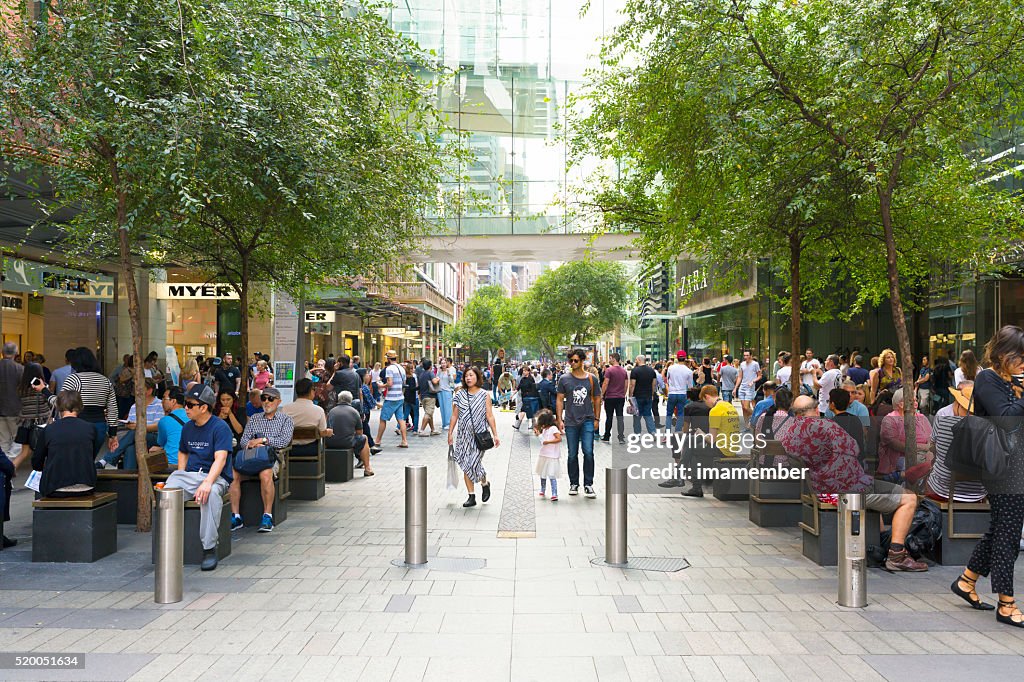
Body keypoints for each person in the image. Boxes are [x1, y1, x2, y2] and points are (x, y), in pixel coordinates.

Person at [780, 395, 927, 571]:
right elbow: (855, 448)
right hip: (848, 490)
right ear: (816, 410)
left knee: (876, 486)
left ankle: (881, 540)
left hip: (822, 489)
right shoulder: (827, 426)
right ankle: (896, 554)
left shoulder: (790, 432)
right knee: (909, 498)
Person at [951, 326, 1024, 624]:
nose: (1023, 361)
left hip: (1017, 464)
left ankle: (966, 581)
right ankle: (1006, 604)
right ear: (1003, 354)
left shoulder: (1013, 380)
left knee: (1001, 528)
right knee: (1008, 535)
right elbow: (1005, 420)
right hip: (1002, 467)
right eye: (1019, 356)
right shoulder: (987, 378)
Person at [165, 385, 234, 570]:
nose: (185, 408)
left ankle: (209, 548)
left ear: (203, 407)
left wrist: (207, 482)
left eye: (190, 404)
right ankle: (168, 544)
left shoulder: (220, 427)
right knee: (167, 491)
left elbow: (221, 459)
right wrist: (181, 473)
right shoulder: (187, 427)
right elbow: (183, 452)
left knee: (210, 494)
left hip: (216, 477)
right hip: (191, 475)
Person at [230, 387, 294, 533]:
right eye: (264, 398)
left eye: (270, 399)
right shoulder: (254, 418)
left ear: (278, 401)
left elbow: (284, 441)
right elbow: (244, 440)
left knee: (265, 473)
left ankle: (267, 515)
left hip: (273, 457)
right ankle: (236, 516)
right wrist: (253, 444)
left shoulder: (286, 419)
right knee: (233, 473)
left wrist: (263, 440)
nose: (266, 401)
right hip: (252, 456)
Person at [37, 348, 118, 458]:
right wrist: (113, 434)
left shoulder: (74, 379)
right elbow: (113, 408)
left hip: (78, 425)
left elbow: (60, 402)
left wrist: (43, 390)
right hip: (100, 426)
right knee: (89, 461)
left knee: (75, 460)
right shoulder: (105, 380)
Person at [924, 382, 986, 503]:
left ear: (958, 404)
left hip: (942, 491)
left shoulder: (943, 420)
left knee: (924, 480)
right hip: (977, 495)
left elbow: (933, 448)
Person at [448, 366, 499, 508]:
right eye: (466, 376)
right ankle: (471, 496)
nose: (468, 378)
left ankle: (484, 482)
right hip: (463, 436)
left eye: (471, 375)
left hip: (479, 436)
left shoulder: (484, 395)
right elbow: (454, 415)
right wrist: (450, 432)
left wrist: (495, 434)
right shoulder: (459, 394)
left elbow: (490, 415)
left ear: (477, 377)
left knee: (473, 463)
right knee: (465, 465)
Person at [31, 390, 98, 498]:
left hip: (55, 486)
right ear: (80, 406)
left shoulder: (49, 430)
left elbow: (37, 461)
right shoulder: (90, 428)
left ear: (58, 407)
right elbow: (91, 455)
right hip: (86, 485)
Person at [557, 348, 602, 498]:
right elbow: (559, 399)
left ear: (582, 361)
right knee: (572, 454)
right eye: (571, 360)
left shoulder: (591, 379)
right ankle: (574, 483)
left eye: (576, 360)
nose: (573, 363)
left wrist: (597, 418)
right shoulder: (564, 379)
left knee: (588, 452)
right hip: (570, 421)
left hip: (588, 420)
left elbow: (597, 399)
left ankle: (588, 484)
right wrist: (559, 419)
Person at [100, 378, 163, 469]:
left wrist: (138, 427)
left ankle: (106, 459)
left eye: (139, 389)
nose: (136, 392)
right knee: (130, 448)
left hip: (154, 437)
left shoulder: (159, 405)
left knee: (136, 432)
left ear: (149, 391)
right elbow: (130, 423)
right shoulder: (134, 406)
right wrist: (129, 425)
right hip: (135, 438)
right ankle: (129, 479)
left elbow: (158, 426)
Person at [878, 388, 931, 483]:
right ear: (901, 404)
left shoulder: (922, 418)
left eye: (916, 400)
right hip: (899, 457)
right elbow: (896, 445)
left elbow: (931, 440)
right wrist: (924, 447)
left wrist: (929, 453)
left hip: (924, 454)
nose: (916, 403)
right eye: (912, 401)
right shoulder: (890, 419)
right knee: (919, 463)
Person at [326, 391, 373, 476]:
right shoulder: (354, 412)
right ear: (350, 401)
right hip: (347, 442)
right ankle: (367, 468)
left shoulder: (332, 411)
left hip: (330, 442)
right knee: (364, 438)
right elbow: (360, 433)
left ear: (338, 400)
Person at [283, 379, 332, 455]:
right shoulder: (318, 410)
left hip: (290, 450)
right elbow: (322, 432)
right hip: (312, 449)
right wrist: (328, 432)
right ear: (311, 391)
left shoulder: (285, 409)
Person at [375, 352, 408, 448]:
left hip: (391, 398)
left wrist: (381, 385)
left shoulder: (389, 369)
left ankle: (378, 440)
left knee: (383, 419)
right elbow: (404, 382)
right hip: (400, 397)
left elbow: (390, 383)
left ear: (388, 359)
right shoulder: (401, 368)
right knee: (401, 419)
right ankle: (404, 441)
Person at [0, 343, 24, 467]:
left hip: (1, 410)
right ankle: (8, 464)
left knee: (2, 441)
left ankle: (3, 466)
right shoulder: (20, 369)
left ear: (2, 352)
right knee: (18, 441)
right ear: (16, 353)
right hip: (15, 409)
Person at [828, 388, 865, 468]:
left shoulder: (830, 424)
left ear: (833, 404)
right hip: (856, 464)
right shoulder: (855, 419)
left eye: (829, 401)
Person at [153, 386, 187, 468]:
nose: (162, 402)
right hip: (188, 463)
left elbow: (161, 442)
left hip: (170, 464)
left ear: (173, 401)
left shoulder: (165, 420)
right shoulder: (192, 416)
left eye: (165, 398)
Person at [534, 408, 562, 500]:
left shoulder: (553, 428)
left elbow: (559, 439)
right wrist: (538, 434)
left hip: (552, 455)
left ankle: (554, 493)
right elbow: (543, 441)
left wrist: (549, 442)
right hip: (544, 454)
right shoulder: (544, 429)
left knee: (551, 474)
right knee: (543, 473)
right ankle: (543, 489)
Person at [601, 353, 629, 444]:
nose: (609, 360)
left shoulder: (609, 370)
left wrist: (602, 394)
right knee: (620, 417)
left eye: (610, 358)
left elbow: (605, 383)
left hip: (610, 397)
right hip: (620, 397)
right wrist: (623, 394)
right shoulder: (623, 371)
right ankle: (621, 437)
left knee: (609, 417)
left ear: (613, 359)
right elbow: (626, 385)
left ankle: (607, 436)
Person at [665, 351, 694, 435]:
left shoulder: (671, 368)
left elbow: (667, 379)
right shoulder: (688, 371)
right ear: (685, 359)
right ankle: (677, 433)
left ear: (677, 358)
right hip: (682, 393)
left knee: (669, 414)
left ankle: (667, 434)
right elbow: (690, 386)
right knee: (681, 414)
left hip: (672, 393)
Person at [627, 355, 657, 435]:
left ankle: (637, 433)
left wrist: (630, 396)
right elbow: (654, 384)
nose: (635, 361)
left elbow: (632, 385)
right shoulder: (652, 371)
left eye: (636, 359)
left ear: (639, 360)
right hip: (648, 396)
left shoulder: (635, 371)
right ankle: (653, 432)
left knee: (637, 416)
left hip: (638, 396)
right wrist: (652, 394)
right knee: (648, 414)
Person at [737, 350, 762, 422]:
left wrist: (753, 381)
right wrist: (735, 388)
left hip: (750, 387)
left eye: (747, 355)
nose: (745, 357)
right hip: (742, 387)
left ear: (751, 356)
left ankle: (759, 418)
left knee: (746, 407)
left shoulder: (755, 364)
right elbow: (740, 377)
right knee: (743, 408)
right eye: (744, 355)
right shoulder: (742, 364)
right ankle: (746, 425)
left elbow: (759, 376)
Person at [417, 358, 439, 436]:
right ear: (430, 366)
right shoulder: (430, 373)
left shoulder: (421, 374)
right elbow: (434, 381)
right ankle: (421, 430)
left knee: (429, 413)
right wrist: (438, 378)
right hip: (430, 396)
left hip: (423, 396)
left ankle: (433, 430)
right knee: (428, 413)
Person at [514, 365, 540, 431]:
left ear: (528, 372)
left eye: (525, 371)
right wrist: (513, 394)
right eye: (523, 371)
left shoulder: (531, 379)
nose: (524, 372)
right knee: (525, 410)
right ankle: (519, 425)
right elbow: (518, 388)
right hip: (524, 397)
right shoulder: (522, 379)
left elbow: (533, 388)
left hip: (529, 398)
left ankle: (518, 425)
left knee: (527, 410)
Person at [402, 361, 420, 435]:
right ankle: (415, 429)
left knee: (405, 413)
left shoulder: (404, 376)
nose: (413, 369)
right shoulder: (413, 377)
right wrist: (419, 387)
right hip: (414, 397)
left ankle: (399, 427)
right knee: (416, 414)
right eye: (412, 368)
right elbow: (414, 387)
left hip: (406, 397)